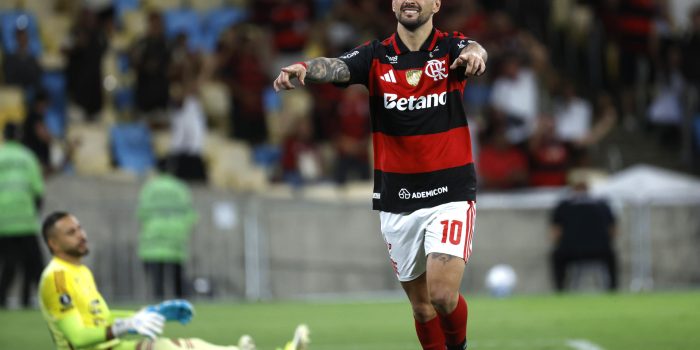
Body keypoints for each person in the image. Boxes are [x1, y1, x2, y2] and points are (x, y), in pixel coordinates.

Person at [273, 1, 487, 349]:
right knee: (421, 308)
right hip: (397, 198)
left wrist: (476, 56)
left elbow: (476, 49)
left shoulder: (452, 48)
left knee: (443, 296)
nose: (409, 0)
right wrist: (305, 68)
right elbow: (338, 66)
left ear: (436, 4)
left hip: (450, 192)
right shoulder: (376, 56)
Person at [38, 211, 311, 350]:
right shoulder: (57, 280)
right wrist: (128, 325)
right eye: (71, 232)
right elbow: (77, 336)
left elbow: (100, 319)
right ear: (53, 242)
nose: (81, 235)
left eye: (80, 228)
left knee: (187, 346)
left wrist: (150, 313)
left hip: (117, 348)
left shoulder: (80, 271)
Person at [0, 123, 45, 309]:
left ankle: (2, 300)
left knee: (9, 265)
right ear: (18, 136)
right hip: (25, 221)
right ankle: (30, 301)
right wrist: (33, 213)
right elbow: (38, 190)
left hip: (3, 222)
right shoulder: (28, 157)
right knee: (34, 265)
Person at [549, 177, 618, 292]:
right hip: (600, 251)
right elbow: (613, 231)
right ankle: (613, 289)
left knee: (557, 256)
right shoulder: (602, 205)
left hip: (570, 252)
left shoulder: (563, 206)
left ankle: (560, 290)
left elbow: (556, 233)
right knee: (611, 255)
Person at [137, 170, 198, 299]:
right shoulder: (180, 188)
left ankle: (160, 312)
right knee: (178, 282)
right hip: (175, 242)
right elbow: (190, 214)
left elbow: (141, 213)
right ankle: (181, 310)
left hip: (152, 243)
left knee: (157, 284)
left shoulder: (150, 188)